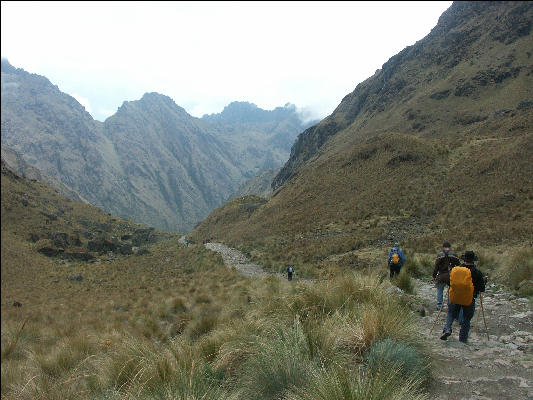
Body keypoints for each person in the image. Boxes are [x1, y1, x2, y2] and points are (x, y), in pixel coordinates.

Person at [440, 250, 485, 343]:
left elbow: (449, 282)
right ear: (473, 260)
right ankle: (463, 339)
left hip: (455, 296)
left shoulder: (456, 269)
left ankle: (447, 329)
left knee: (451, 313)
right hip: (469, 299)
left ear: (464, 259)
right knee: (466, 318)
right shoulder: (477, 272)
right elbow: (481, 288)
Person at [432, 241, 461, 310]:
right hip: (452, 275)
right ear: (449, 247)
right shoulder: (454, 255)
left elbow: (436, 267)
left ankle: (439, 306)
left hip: (441, 275)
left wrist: (434, 275)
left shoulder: (440, 255)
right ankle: (450, 305)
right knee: (451, 290)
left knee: (440, 290)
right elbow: (459, 266)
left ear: (443, 247)